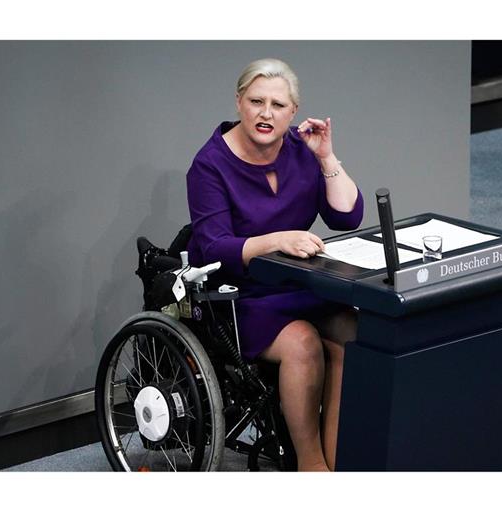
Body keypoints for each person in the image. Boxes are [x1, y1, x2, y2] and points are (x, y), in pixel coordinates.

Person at [186, 58, 363, 471]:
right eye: (256, 101)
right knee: (303, 343)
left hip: (298, 284)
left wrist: (326, 157)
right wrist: (276, 240)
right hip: (239, 295)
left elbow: (347, 216)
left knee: (354, 335)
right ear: (239, 102)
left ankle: (340, 462)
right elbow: (213, 247)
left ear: (293, 112)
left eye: (278, 105)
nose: (266, 113)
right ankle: (311, 464)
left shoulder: (302, 151)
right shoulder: (210, 165)